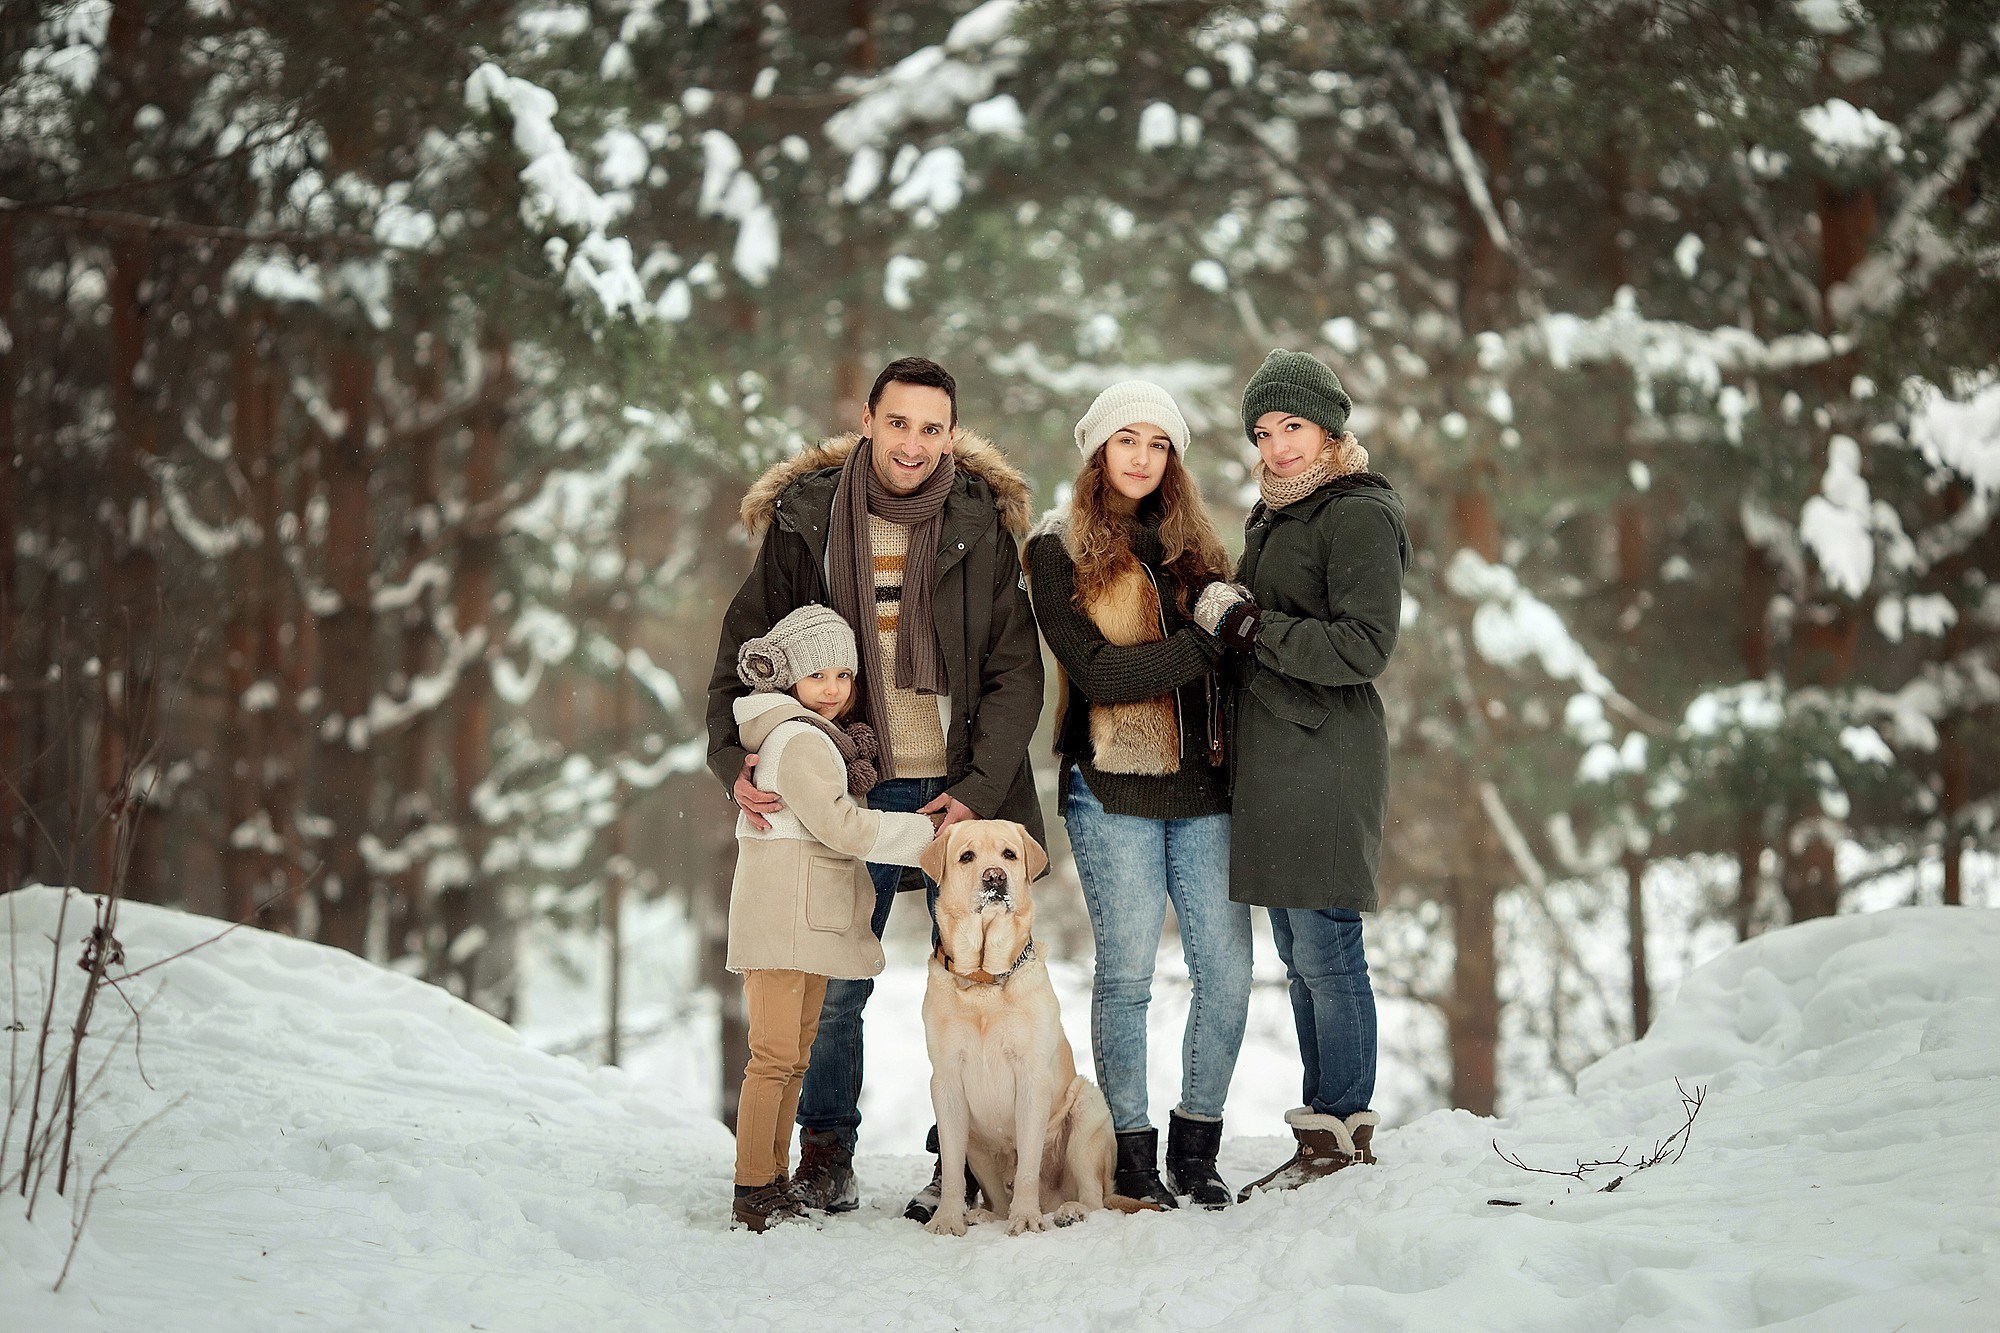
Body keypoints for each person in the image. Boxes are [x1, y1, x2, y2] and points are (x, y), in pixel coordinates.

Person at [706, 356, 1043, 1220]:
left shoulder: (978, 524)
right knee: (837, 982)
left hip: (951, 790)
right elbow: (743, 649)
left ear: (951, 434)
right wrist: (727, 752)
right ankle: (826, 1151)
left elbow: (1014, 672)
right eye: (900, 423)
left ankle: (957, 1162)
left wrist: (975, 790)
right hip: (843, 789)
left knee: (976, 972)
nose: (915, 444)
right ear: (867, 418)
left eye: (933, 429)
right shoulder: (809, 521)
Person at [1025, 381, 1254, 1210]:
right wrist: (1205, 640)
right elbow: (1102, 674)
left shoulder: (1201, 550)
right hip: (1111, 788)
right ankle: (1130, 1153)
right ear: (1097, 449)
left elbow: (1237, 660)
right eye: (1127, 439)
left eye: (1159, 444)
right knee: (1125, 976)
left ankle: (1198, 1147)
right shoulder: (1057, 550)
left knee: (1226, 973)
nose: (1142, 456)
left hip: (1206, 789)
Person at [1189, 349, 1411, 1199]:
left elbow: (1364, 647)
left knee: (1328, 948)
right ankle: (1324, 1129)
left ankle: (1342, 1130)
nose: (1278, 446)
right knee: (1300, 950)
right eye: (1264, 431)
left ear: (1330, 427)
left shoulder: (1357, 513)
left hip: (1326, 756)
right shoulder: (1276, 513)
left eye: (1294, 427)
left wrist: (1251, 627)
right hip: (1273, 759)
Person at [723, 605, 940, 1232]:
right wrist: (923, 834)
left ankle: (775, 1177)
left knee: (792, 1058)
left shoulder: (812, 737)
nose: (835, 689)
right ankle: (753, 1187)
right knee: (772, 1059)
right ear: (789, 676)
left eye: (845, 675)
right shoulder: (799, 742)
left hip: (807, 923)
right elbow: (842, 827)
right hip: (786, 924)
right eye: (819, 674)